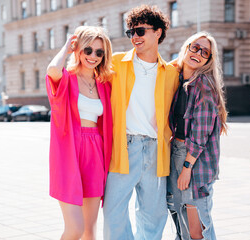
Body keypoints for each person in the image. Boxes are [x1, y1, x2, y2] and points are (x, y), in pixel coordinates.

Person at [103, 5, 179, 240]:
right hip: (125, 147)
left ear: (158, 32)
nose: (134, 37)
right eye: (131, 32)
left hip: (157, 150)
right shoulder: (116, 63)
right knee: (113, 211)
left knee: (153, 215)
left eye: (140, 31)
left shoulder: (172, 73)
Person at [46, 26, 113, 240]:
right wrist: (67, 47)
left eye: (99, 52)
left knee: (89, 232)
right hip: (69, 152)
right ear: (79, 50)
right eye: (88, 50)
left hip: (95, 153)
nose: (93, 56)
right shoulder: (68, 79)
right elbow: (52, 71)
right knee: (75, 229)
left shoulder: (104, 85)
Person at [167, 31, 228, 240]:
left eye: (205, 52)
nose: (198, 53)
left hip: (194, 160)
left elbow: (201, 132)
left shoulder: (203, 85)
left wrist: (186, 167)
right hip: (176, 151)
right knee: (182, 224)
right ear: (186, 48)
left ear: (208, 60)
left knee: (197, 230)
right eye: (195, 47)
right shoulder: (178, 80)